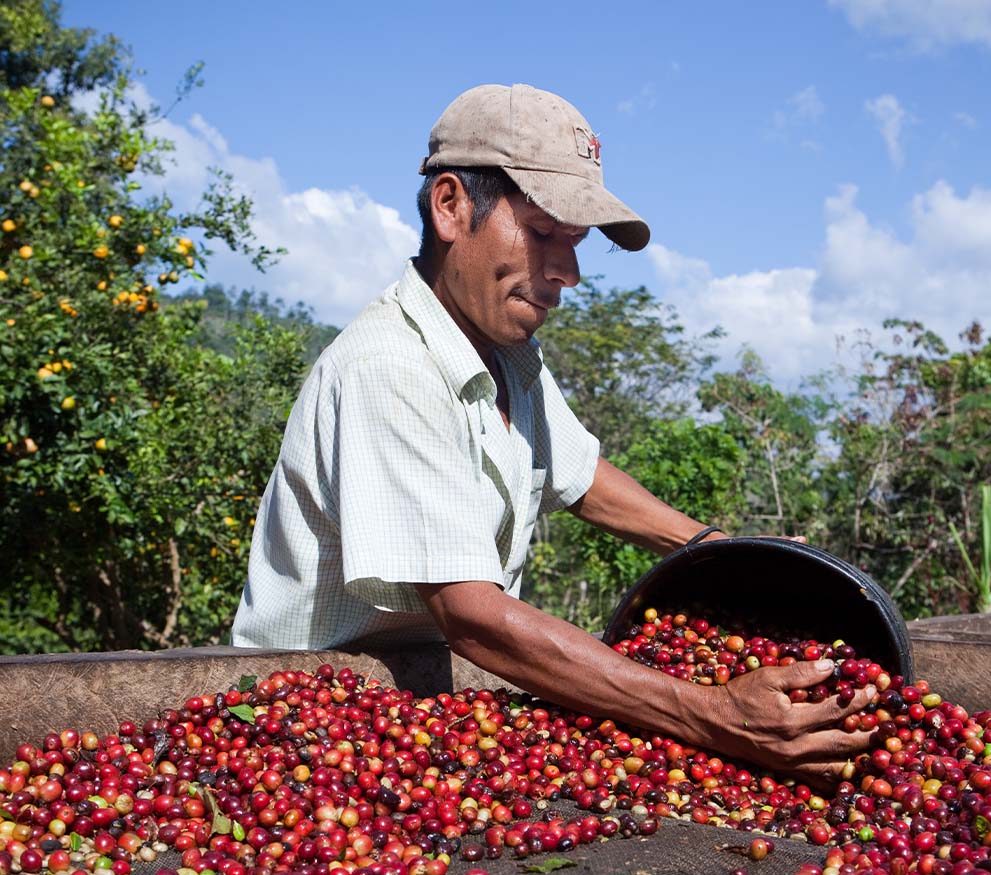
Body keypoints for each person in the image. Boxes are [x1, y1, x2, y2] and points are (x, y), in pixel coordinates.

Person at [233, 83, 875, 783]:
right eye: (543, 235)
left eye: (574, 246)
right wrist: (710, 713)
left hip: (419, 714)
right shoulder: (391, 367)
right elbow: (473, 617)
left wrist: (721, 553)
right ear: (451, 207)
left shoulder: (503, 349)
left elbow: (583, 478)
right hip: (304, 727)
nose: (567, 273)